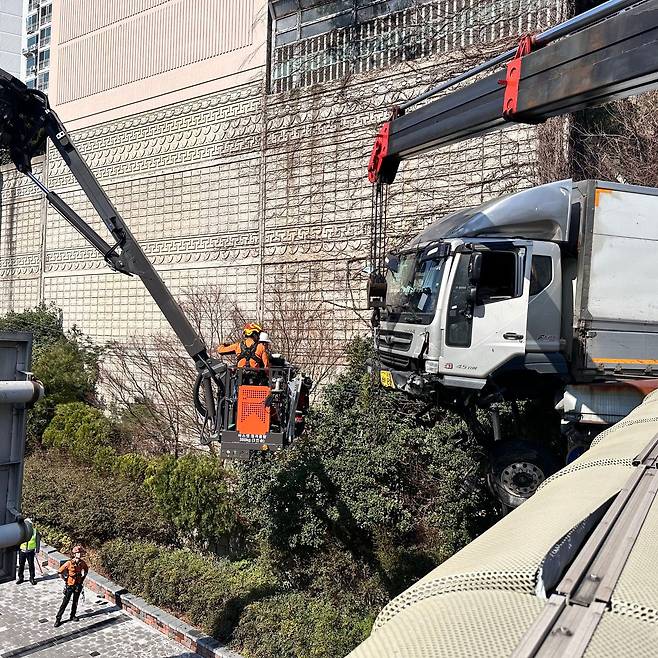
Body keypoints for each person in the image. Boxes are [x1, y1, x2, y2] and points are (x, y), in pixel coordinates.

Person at [54, 545, 89, 627]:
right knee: (65, 603)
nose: (79, 554)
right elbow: (60, 572)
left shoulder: (82, 563)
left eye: (80, 553)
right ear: (74, 554)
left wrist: (83, 578)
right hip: (70, 585)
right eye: (77, 553)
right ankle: (58, 618)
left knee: (75, 601)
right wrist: (65, 579)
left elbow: (86, 570)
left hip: (78, 585)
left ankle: (72, 615)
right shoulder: (69, 563)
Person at [16, 518, 39, 585]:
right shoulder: (21, 531)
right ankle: (20, 578)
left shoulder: (35, 531)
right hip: (22, 550)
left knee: (31, 565)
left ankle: (32, 578)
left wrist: (37, 549)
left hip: (30, 551)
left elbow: (37, 541)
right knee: (21, 565)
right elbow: (17, 540)